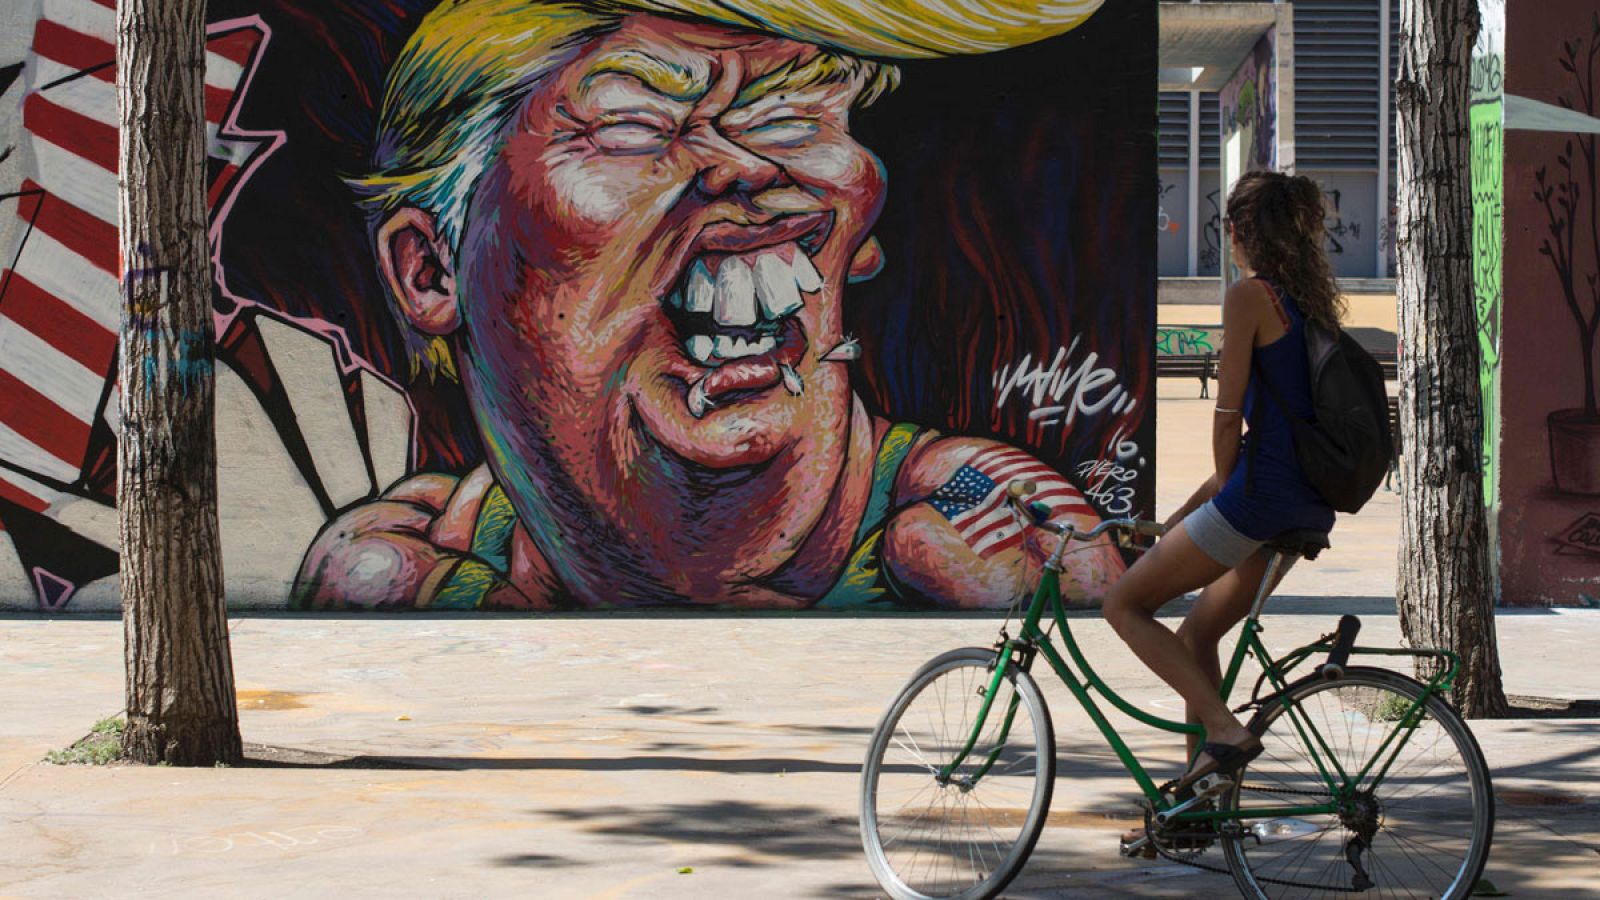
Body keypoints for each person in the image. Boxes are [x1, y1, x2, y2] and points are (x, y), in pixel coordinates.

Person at [291, 0, 1126, 611]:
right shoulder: (399, 565)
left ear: (857, 236)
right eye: (633, 124)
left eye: (793, 117)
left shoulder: (986, 529)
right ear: (431, 271)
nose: (750, 167)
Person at [1102, 171, 1342, 809]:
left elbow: (1227, 416)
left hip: (1257, 504)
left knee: (1123, 604)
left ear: (1237, 232)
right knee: (1199, 634)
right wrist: (1180, 516)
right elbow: (1262, 444)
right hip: (1301, 503)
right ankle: (1201, 804)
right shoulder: (1307, 301)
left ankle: (1225, 732)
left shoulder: (1249, 297)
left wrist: (1213, 505)